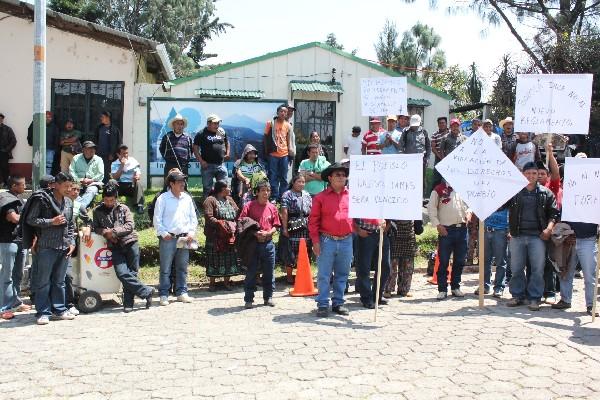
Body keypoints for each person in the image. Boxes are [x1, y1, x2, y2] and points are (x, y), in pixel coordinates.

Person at [92, 183, 154, 312]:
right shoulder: (97, 211)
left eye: (112, 200)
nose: (109, 203)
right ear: (103, 199)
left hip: (130, 242)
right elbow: (96, 227)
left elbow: (129, 226)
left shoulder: (124, 208)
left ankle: (128, 303)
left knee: (132, 273)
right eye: (106, 200)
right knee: (122, 273)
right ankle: (147, 291)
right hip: (114, 246)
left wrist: (113, 232)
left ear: (116, 198)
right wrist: (104, 232)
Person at [24, 172, 76, 325]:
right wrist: (51, 221)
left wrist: (72, 242)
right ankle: (43, 312)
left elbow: (71, 224)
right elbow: (31, 219)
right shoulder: (42, 200)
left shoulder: (68, 202)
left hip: (64, 247)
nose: (68, 189)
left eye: (70, 186)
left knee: (59, 281)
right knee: (43, 281)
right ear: (56, 185)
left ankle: (59, 309)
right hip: (47, 246)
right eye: (65, 186)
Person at [506, 162, 559, 311]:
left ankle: (535, 298)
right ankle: (517, 295)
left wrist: (548, 229)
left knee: (537, 269)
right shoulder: (514, 192)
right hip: (517, 235)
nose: (531, 176)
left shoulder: (546, 193)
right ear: (523, 174)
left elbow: (553, 213)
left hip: (538, 237)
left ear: (538, 175)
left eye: (534, 173)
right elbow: (500, 204)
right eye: (527, 173)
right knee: (516, 268)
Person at [309, 162, 353, 317]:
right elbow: (313, 221)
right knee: (324, 275)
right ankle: (322, 304)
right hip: (326, 240)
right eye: (338, 175)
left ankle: (338, 303)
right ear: (330, 178)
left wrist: (377, 221)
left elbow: (362, 215)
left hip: (347, 240)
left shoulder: (352, 196)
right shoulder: (320, 198)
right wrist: (315, 241)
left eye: (343, 175)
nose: (342, 177)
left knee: (343, 274)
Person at [153, 171, 198, 306]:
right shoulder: (163, 198)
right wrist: (163, 233)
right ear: (171, 184)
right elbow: (157, 219)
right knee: (165, 268)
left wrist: (191, 232)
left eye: (183, 181)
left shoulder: (187, 198)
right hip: (168, 238)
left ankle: (181, 292)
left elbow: (193, 218)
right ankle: (164, 294)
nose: (182, 184)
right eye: (179, 182)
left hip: (184, 238)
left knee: (182, 267)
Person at [239, 181, 280, 308]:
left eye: (268, 190)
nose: (266, 193)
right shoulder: (249, 206)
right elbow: (242, 222)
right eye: (263, 190)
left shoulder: (272, 207)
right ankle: (248, 299)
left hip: (268, 245)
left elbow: (276, 226)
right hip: (253, 244)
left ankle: (268, 297)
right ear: (257, 192)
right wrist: (255, 233)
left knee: (269, 273)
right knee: (251, 272)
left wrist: (268, 233)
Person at [428, 179, 471, 300]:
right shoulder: (438, 189)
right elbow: (431, 208)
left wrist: (469, 212)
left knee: (460, 260)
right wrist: (437, 225)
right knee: (444, 261)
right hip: (446, 230)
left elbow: (470, 205)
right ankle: (442, 289)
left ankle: (455, 286)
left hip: (462, 229)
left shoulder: (464, 188)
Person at [0, 175, 31, 320]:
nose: (25, 187)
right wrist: (30, 218)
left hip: (21, 241)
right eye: (23, 185)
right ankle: (4, 307)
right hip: (8, 241)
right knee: (7, 275)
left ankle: (16, 302)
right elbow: (14, 218)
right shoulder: (7, 199)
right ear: (14, 186)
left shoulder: (18, 199)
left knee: (17, 275)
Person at [202, 180, 241, 291]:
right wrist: (222, 224)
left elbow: (237, 213)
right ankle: (212, 283)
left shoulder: (229, 199)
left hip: (229, 236)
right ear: (222, 189)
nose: (230, 189)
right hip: (215, 236)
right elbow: (209, 217)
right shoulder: (210, 200)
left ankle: (226, 282)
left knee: (229, 259)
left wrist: (232, 226)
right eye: (228, 187)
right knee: (213, 259)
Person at [279, 174, 312, 284]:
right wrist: (284, 228)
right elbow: (284, 212)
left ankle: (302, 274)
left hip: (306, 226)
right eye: (299, 181)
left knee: (305, 251)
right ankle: (289, 276)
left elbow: (311, 210)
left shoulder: (307, 195)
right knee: (290, 251)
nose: (301, 184)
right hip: (292, 225)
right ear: (293, 182)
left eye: (303, 182)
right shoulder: (287, 195)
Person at [354, 217, 391, 309]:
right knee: (364, 268)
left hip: (382, 233)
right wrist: (358, 229)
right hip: (365, 233)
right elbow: (350, 214)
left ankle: (377, 295)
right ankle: (366, 298)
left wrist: (388, 224)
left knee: (385, 267)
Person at [384, 220, 423, 298]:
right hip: (394, 238)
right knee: (392, 267)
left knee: (407, 268)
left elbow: (419, 230)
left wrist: (419, 223)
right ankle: (388, 289)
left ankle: (404, 289)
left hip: (409, 239)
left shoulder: (413, 209)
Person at [193, 114, 229, 197]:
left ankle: (222, 205)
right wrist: (201, 161)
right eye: (215, 123)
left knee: (224, 186)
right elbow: (195, 148)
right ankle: (208, 205)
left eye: (218, 123)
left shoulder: (221, 131)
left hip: (221, 164)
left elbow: (227, 142)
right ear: (208, 123)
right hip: (207, 165)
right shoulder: (201, 133)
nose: (217, 125)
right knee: (207, 187)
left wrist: (227, 153)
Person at [477, 205, 509, 297]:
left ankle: (499, 287)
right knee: (484, 260)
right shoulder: (488, 196)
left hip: (501, 231)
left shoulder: (507, 196)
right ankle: (484, 286)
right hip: (485, 229)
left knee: (501, 261)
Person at [264, 105, 294, 202]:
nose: (283, 113)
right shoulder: (270, 123)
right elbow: (265, 138)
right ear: (277, 113)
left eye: (285, 112)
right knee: (273, 176)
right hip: (273, 155)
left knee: (284, 178)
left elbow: (289, 140)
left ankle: (282, 197)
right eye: (281, 111)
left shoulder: (288, 125)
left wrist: (290, 153)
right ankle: (274, 196)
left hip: (284, 154)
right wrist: (266, 152)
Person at [399, 114, 431, 193]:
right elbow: (400, 145)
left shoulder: (424, 132)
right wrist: (403, 157)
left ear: (420, 123)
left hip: (421, 160)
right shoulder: (405, 131)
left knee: (422, 179)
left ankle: (421, 198)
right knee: (409, 178)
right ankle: (409, 195)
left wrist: (427, 158)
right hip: (409, 161)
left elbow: (428, 146)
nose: (414, 127)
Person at [69, 141, 104, 209]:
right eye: (89, 148)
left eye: (93, 148)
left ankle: (80, 207)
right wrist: (80, 180)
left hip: (93, 182)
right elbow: (71, 172)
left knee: (91, 191)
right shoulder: (76, 158)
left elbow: (101, 174)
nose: (92, 150)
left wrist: (91, 180)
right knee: (72, 191)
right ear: (83, 150)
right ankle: (82, 206)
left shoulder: (99, 159)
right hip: (78, 182)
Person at [111, 145, 144, 214]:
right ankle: (111, 203)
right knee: (111, 181)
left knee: (138, 183)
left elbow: (138, 174)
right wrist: (122, 165)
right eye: (123, 153)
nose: (126, 155)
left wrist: (137, 177)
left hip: (130, 185)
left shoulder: (133, 161)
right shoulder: (114, 163)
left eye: (127, 153)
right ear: (118, 154)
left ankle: (139, 205)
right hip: (119, 185)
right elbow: (115, 177)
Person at [94, 111, 122, 184]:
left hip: (109, 155)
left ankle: (109, 184)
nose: (101, 119)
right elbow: (95, 139)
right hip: (99, 153)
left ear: (107, 117)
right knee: (100, 169)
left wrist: (112, 153)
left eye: (102, 117)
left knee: (108, 170)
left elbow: (118, 143)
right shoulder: (99, 128)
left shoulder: (114, 129)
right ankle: (101, 184)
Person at [431, 116, 449, 188]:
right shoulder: (434, 134)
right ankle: (433, 196)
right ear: (438, 124)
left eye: (443, 123)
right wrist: (441, 157)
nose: (442, 124)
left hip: (449, 159)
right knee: (437, 178)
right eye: (440, 123)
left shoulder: (451, 133)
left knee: (447, 178)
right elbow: (433, 148)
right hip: (438, 158)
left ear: (446, 124)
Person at [0, 113, 17, 188]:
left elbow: (13, 141)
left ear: (2, 119)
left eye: (0, 118)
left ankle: (6, 183)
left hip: (4, 152)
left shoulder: (7, 129)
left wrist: (6, 149)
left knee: (4, 168)